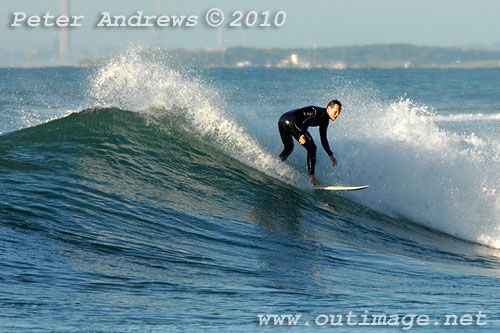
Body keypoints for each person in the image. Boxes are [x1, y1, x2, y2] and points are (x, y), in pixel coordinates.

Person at [278, 100, 342, 185]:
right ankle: (312, 178)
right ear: (329, 108)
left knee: (289, 147)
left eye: (339, 112)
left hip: (283, 120)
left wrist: (330, 154)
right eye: (336, 112)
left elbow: (323, 138)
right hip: (291, 122)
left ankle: (277, 163)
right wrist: (301, 134)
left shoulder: (325, 120)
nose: (337, 115)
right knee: (312, 147)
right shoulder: (319, 113)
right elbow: (306, 121)